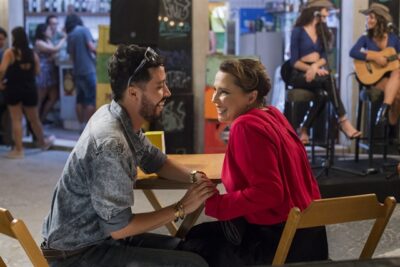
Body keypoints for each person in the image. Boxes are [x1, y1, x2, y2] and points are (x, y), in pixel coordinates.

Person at [41, 44, 215, 267]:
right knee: (193, 264)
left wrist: (194, 177)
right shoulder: (112, 144)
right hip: (78, 254)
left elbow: (155, 160)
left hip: (96, 239)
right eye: (160, 87)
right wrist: (180, 208)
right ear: (133, 92)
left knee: (190, 249)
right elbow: (120, 228)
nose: (168, 93)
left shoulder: (116, 114)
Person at [179, 58, 328, 266]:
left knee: (190, 245)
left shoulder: (245, 126)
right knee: (199, 234)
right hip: (309, 239)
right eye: (215, 89)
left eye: (224, 92)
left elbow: (268, 192)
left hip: (278, 246)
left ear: (251, 96)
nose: (214, 99)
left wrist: (215, 203)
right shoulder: (274, 115)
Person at [289, 0, 361, 144]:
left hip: (316, 71)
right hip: (299, 73)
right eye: (325, 10)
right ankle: (343, 121)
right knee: (330, 80)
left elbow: (324, 58)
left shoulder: (323, 31)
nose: (328, 13)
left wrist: (315, 67)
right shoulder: (298, 31)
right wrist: (310, 68)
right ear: (315, 11)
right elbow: (294, 61)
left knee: (323, 95)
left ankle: (304, 128)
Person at [0, 27, 54, 159]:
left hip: (13, 89)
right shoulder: (32, 53)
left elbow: (2, 70)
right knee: (34, 120)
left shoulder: (10, 53)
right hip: (30, 89)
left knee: (16, 119)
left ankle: (19, 150)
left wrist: (1, 82)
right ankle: (43, 143)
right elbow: (37, 71)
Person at [350, 3, 400, 126]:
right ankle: (391, 129)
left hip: (393, 76)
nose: (368, 20)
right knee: (397, 94)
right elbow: (353, 52)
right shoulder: (365, 37)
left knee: (397, 73)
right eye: (367, 17)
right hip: (374, 78)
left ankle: (383, 111)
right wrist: (375, 56)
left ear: (381, 19)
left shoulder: (393, 38)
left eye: (371, 17)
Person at [65, 14, 96, 132]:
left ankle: (81, 126)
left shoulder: (70, 35)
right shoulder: (84, 30)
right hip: (89, 70)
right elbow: (91, 47)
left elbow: (71, 56)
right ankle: (88, 129)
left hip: (77, 71)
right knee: (90, 99)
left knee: (80, 99)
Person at [34, 23, 66, 123]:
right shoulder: (39, 42)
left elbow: (54, 52)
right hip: (43, 72)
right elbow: (55, 49)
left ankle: (41, 119)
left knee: (54, 96)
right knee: (40, 98)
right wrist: (64, 38)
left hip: (50, 71)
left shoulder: (47, 40)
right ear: (43, 32)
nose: (50, 31)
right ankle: (34, 122)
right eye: (48, 29)